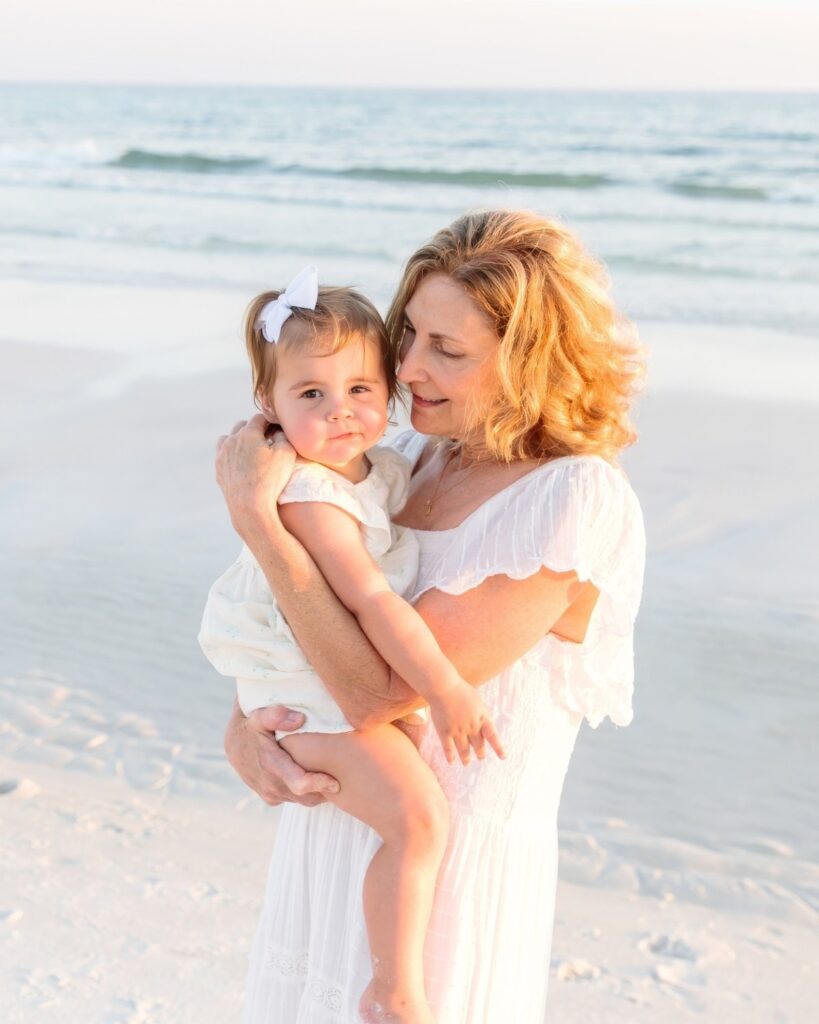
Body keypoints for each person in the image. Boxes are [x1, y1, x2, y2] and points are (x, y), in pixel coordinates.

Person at [216, 210, 646, 1023]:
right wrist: (248, 721)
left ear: (533, 362)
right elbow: (302, 627)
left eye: (447, 350)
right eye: (408, 332)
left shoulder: (568, 500)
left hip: (448, 881)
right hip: (345, 826)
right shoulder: (401, 460)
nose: (407, 368)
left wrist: (257, 521)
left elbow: (376, 694)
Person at [198, 269, 504, 1023]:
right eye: (312, 396)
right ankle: (393, 989)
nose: (342, 413)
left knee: (407, 809)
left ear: (389, 388)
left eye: (361, 389)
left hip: (315, 668)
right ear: (267, 405)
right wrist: (445, 688)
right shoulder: (310, 496)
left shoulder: (382, 469)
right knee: (418, 819)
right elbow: (371, 602)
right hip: (309, 687)